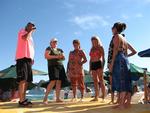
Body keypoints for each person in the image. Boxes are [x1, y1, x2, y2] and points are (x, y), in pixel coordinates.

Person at [108, 22, 136, 109]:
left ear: (115, 28)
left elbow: (115, 51)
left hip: (118, 59)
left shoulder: (116, 36)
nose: (111, 29)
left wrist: (111, 64)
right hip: (124, 59)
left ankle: (121, 105)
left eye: (112, 27)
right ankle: (122, 103)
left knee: (121, 81)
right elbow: (134, 51)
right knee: (125, 81)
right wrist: (125, 56)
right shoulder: (124, 39)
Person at [15, 22, 36, 107]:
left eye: (33, 26)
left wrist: (32, 58)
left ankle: (24, 98)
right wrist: (30, 31)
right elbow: (24, 38)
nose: (33, 27)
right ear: (27, 26)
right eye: (31, 25)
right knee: (22, 79)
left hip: (28, 59)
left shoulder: (31, 37)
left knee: (27, 80)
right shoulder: (22, 31)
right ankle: (21, 101)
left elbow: (30, 48)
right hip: (21, 58)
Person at [43, 38, 68, 104]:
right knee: (53, 81)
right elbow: (46, 56)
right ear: (50, 43)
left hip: (60, 66)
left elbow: (64, 58)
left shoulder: (60, 50)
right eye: (53, 42)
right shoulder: (49, 48)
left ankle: (57, 98)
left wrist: (61, 57)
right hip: (52, 66)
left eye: (56, 42)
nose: (55, 43)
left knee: (59, 82)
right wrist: (56, 57)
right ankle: (45, 98)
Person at [89, 36, 106, 101]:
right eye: (92, 41)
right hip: (93, 65)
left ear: (97, 41)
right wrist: (89, 69)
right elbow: (90, 60)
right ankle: (96, 96)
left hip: (99, 63)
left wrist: (103, 67)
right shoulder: (91, 49)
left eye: (95, 41)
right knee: (95, 81)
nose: (93, 42)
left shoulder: (100, 47)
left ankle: (103, 96)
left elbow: (103, 58)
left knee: (101, 80)